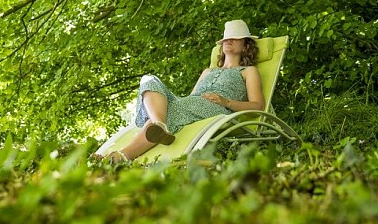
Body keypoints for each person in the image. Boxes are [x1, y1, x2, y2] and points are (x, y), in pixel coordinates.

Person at [100, 19, 265, 163]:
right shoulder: (208, 71)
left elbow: (258, 106)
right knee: (149, 80)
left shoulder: (248, 71)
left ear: (245, 45)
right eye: (226, 38)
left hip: (214, 109)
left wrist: (226, 102)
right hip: (191, 104)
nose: (228, 40)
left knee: (166, 113)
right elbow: (192, 97)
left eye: (235, 38)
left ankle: (119, 155)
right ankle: (159, 125)